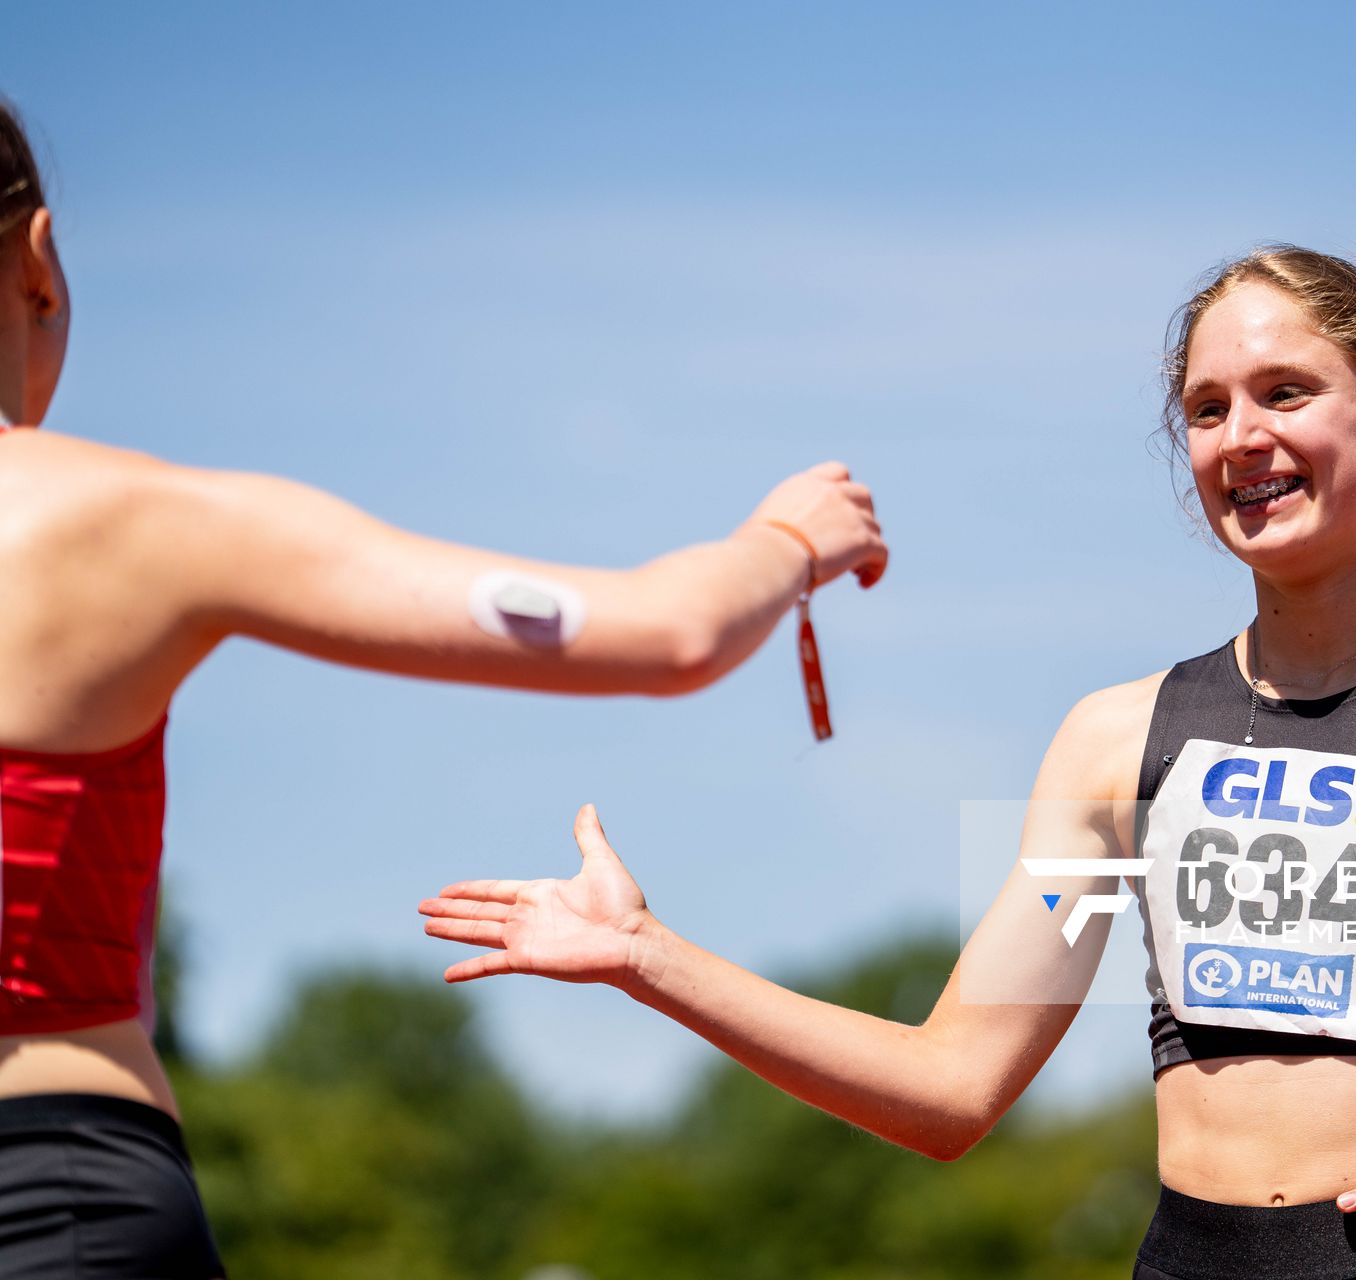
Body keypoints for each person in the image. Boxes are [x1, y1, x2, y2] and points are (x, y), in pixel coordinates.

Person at [420, 245, 1356, 1278]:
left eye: (1283, 393)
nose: (1240, 438)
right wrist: (644, 958)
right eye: (1205, 410)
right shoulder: (1119, 742)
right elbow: (950, 1088)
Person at [0, 100, 888, 1279]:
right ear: (39, 263)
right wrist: (791, 533)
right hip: (56, 1191)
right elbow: (669, 632)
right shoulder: (128, 523)